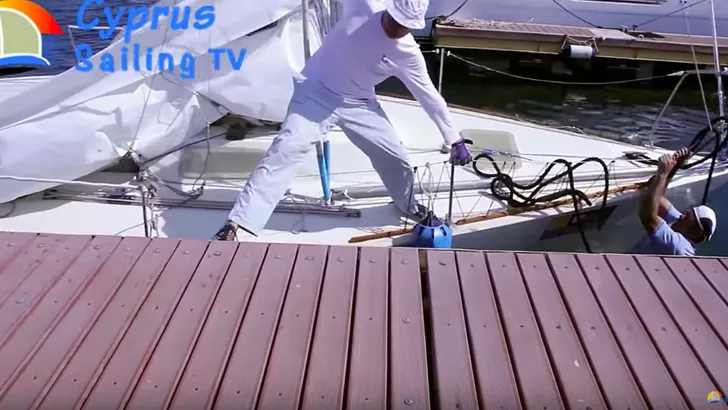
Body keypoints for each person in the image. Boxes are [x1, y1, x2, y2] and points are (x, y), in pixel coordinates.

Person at [212, 0, 472, 241]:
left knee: (396, 158)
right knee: (285, 150)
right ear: (388, 9)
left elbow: (430, 97)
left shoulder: (408, 54)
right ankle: (236, 223)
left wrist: (454, 139)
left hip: (360, 103)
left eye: (406, 26)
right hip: (315, 92)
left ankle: (408, 205)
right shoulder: (365, 5)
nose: (397, 28)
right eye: (395, 20)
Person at [632, 147, 717, 256]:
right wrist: (676, 166)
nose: (683, 214)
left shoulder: (678, 246)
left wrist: (662, 174)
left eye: (688, 216)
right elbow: (660, 198)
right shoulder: (682, 224)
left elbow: (647, 216)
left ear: (696, 231)